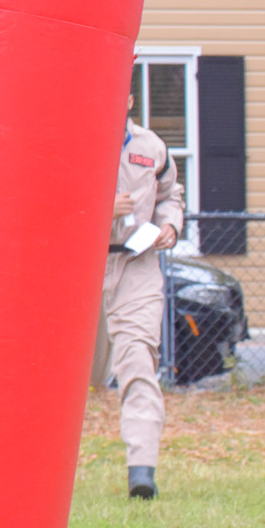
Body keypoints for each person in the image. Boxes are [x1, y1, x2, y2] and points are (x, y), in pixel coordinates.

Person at [104, 97, 185, 499]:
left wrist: (169, 223)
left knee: (138, 360)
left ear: (130, 98)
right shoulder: (68, 140)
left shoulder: (151, 146)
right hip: (77, 271)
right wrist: (99, 208)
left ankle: (142, 473)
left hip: (136, 268)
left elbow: (171, 193)